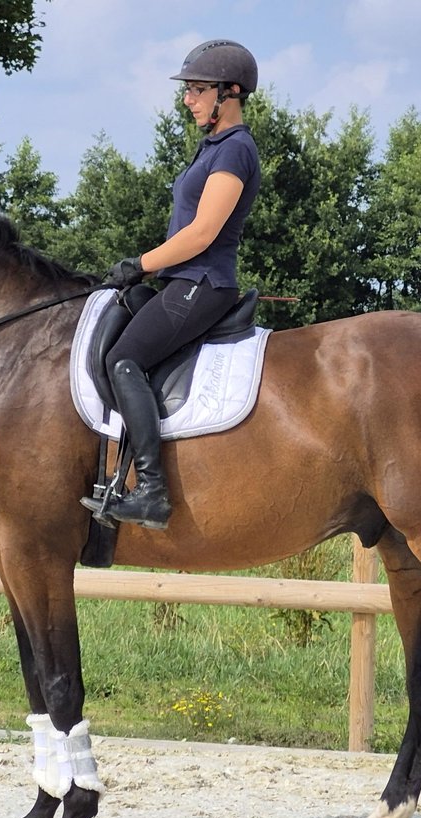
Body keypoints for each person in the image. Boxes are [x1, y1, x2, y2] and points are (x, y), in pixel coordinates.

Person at [83, 39, 262, 530]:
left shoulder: (235, 150)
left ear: (230, 92)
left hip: (202, 281)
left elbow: (203, 232)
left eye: (197, 90)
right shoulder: (213, 147)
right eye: (188, 91)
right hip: (184, 280)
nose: (188, 99)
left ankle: (152, 492)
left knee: (124, 360)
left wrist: (139, 263)